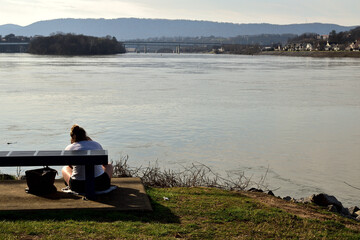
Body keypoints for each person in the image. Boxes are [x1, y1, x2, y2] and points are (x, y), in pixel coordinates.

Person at [62, 124, 113, 193]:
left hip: (78, 186)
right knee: (109, 165)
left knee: (65, 168)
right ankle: (105, 182)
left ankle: (71, 184)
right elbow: (104, 163)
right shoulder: (96, 144)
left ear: (72, 137)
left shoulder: (69, 147)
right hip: (100, 184)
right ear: (85, 135)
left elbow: (70, 166)